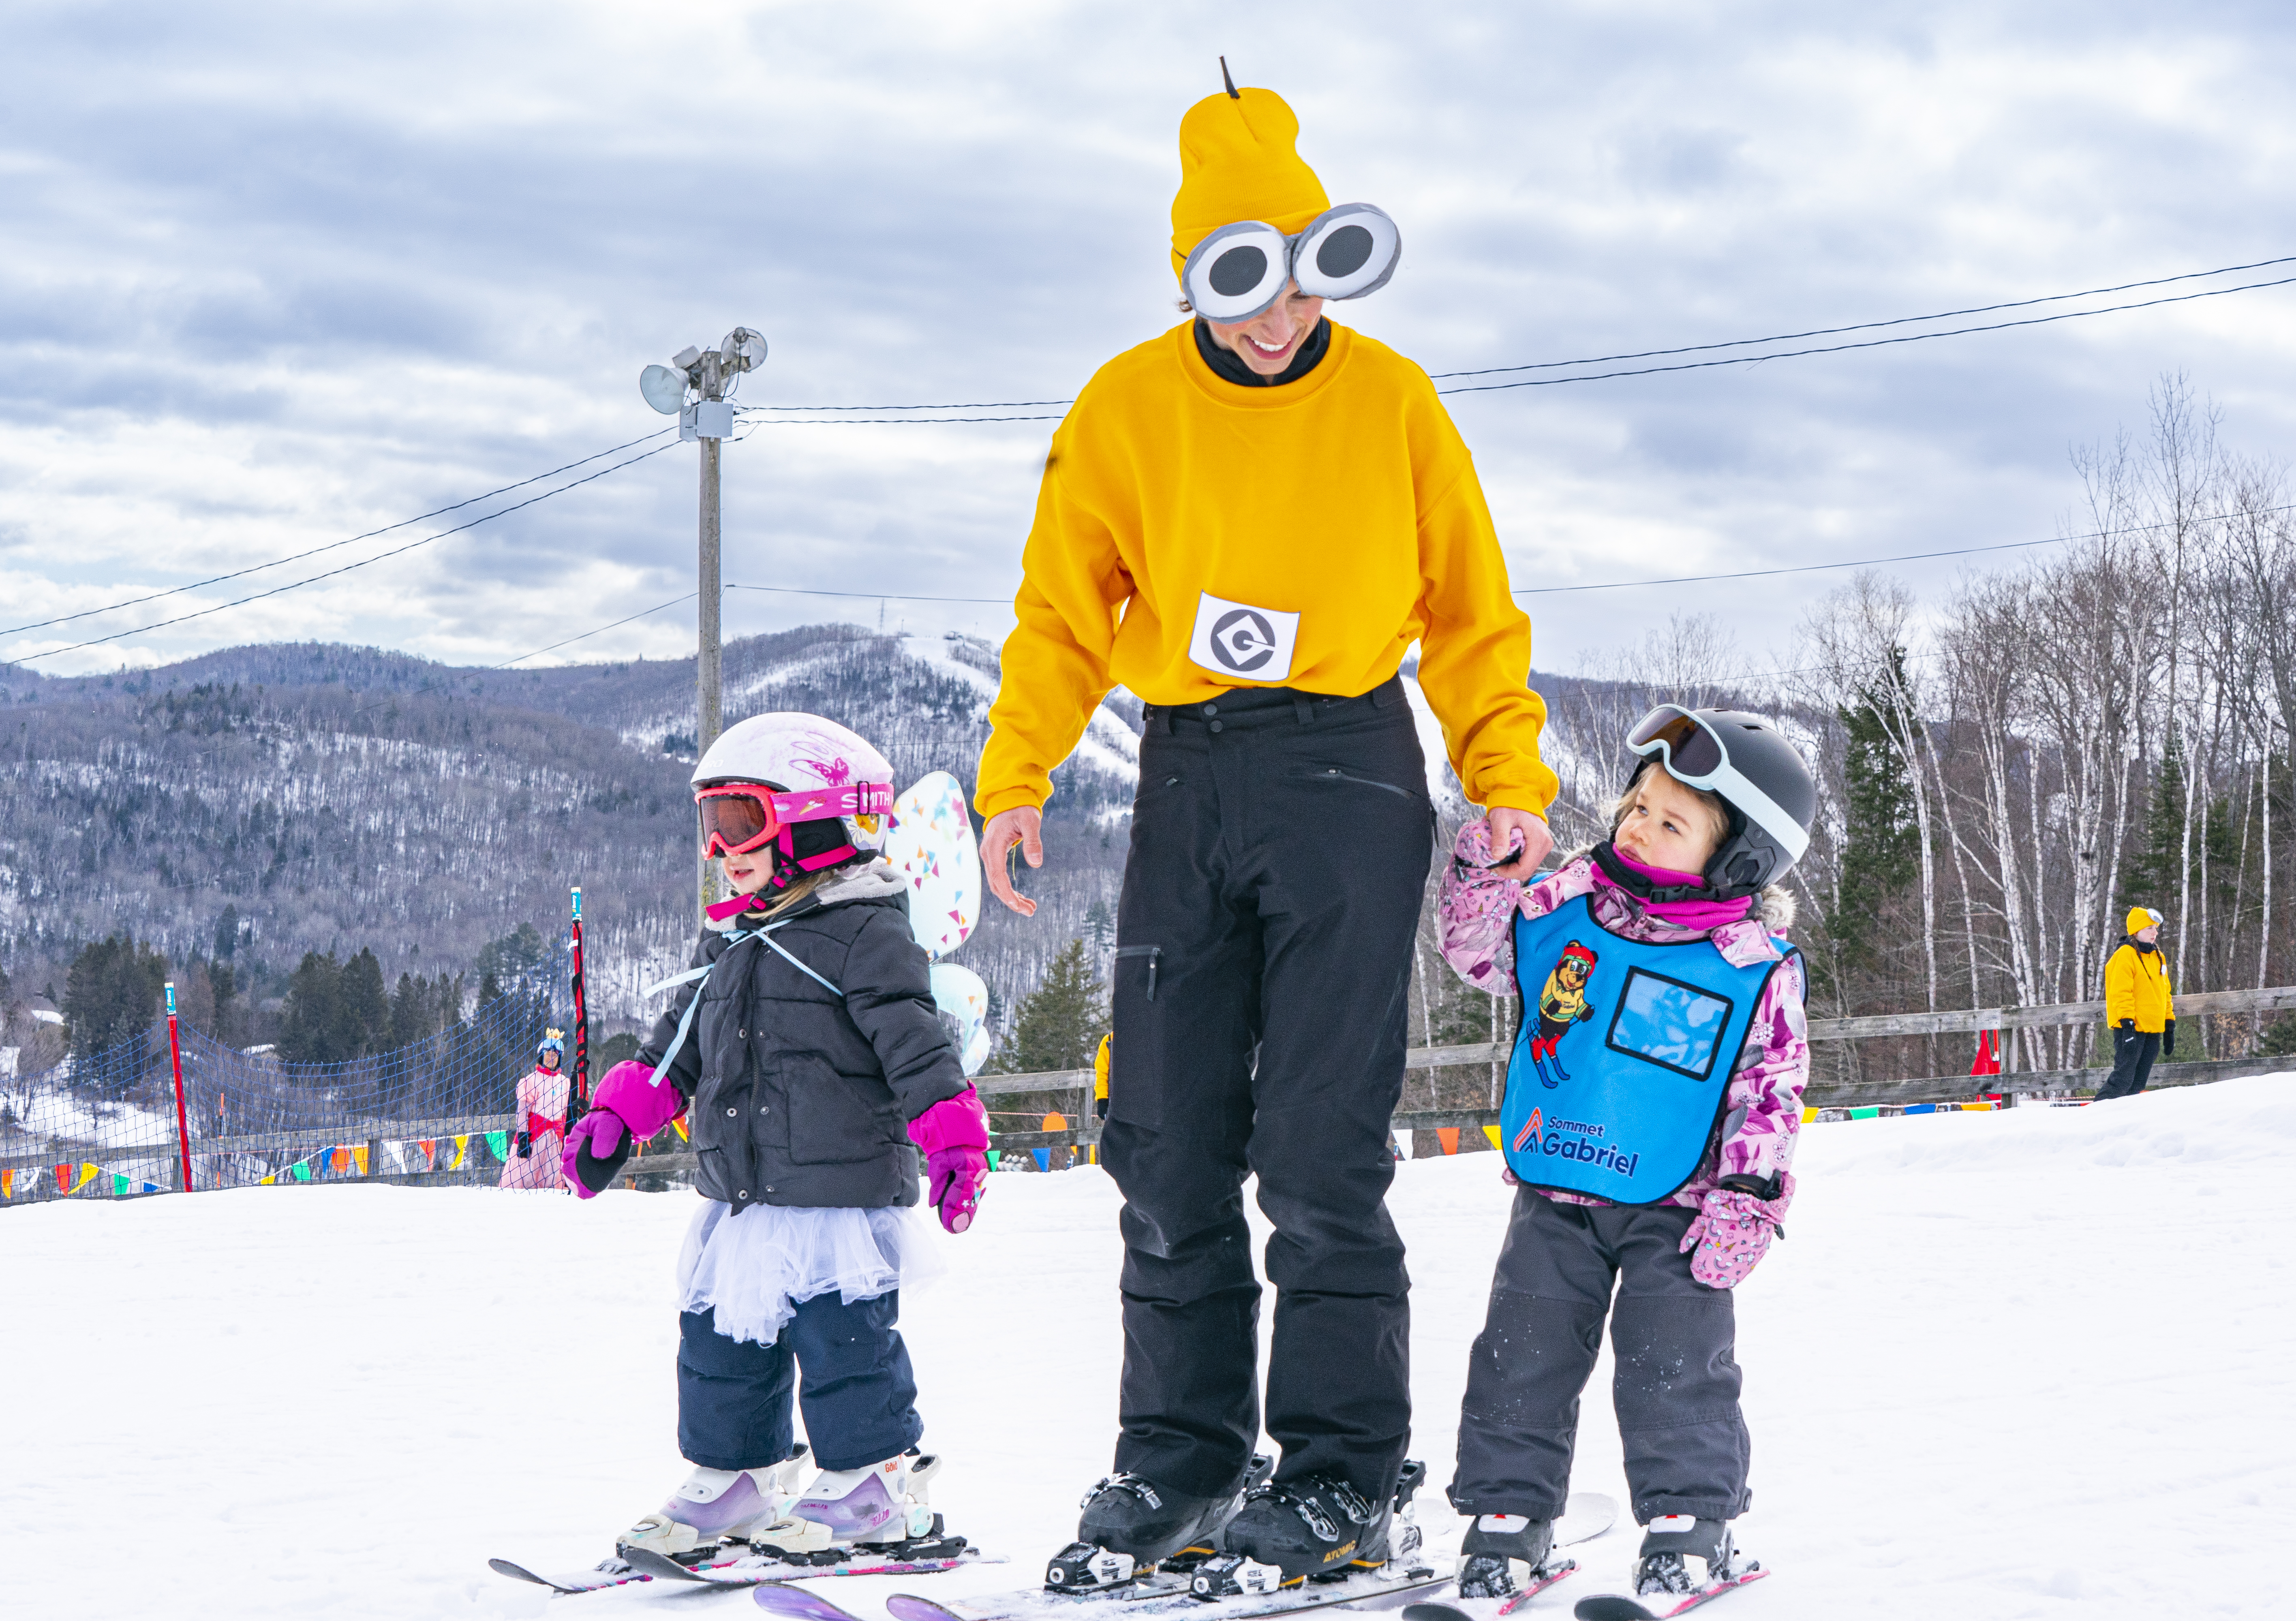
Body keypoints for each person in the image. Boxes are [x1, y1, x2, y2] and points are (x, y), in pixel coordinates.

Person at [972, 73, 1558, 1588]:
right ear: (1193, 278)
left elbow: (1471, 613)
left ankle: (1343, 1473)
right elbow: (1061, 611)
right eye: (1240, 285)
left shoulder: (1391, 401)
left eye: (1302, 277)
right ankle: (1178, 1455)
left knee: (1315, 1143)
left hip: (1350, 766)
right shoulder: (1124, 407)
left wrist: (1505, 772)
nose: (1275, 317)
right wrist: (1017, 772)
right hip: (1189, 767)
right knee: (1161, 1134)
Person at [559, 712, 991, 1564]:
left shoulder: (867, 929)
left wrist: (953, 1141)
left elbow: (915, 1042)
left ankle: (873, 1480)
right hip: (744, 1191)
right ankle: (738, 1476)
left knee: (843, 1343)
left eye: (740, 821)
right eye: (712, 826)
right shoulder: (729, 933)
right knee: (721, 1343)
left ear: (811, 819)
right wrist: (619, 1114)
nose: (722, 847)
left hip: (835, 1192)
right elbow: (674, 1044)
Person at [1435, 707, 1815, 1605]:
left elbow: (1771, 1082)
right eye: (1638, 804)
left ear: (1739, 862)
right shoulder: (1565, 906)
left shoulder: (1747, 962)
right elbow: (1480, 954)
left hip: (1682, 1208)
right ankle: (1505, 1524)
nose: (1638, 825)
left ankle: (1688, 1530)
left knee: (1675, 1365)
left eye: (1671, 821)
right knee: (1519, 1356)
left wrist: (1749, 1196)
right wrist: (1483, 878)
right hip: (1557, 1184)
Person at [2095, 906, 2174, 1100]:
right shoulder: (2125, 955)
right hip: (2131, 1028)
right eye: (2150, 928)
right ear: (2137, 931)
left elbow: (2165, 992)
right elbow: (2121, 992)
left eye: (2156, 928)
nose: (2155, 933)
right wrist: (2127, 1025)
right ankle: (2096, 1115)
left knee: (2139, 1082)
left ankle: (2124, 1122)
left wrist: (2169, 1024)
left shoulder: (2158, 956)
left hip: (2153, 1029)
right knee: (2123, 1079)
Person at [496, 1029, 571, 1190]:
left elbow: (566, 1112)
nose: (552, 1057)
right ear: (542, 1055)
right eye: (548, 1053)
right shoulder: (531, 1080)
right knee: (527, 1176)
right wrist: (523, 1135)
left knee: (553, 1178)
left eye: (556, 1054)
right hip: (535, 1137)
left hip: (556, 1140)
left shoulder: (565, 1083)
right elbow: (523, 1111)